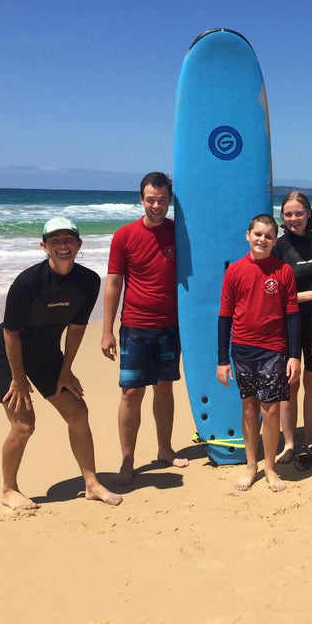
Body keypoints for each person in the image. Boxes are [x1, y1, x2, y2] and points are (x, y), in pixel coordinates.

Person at [0, 217, 122, 510]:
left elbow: (77, 328)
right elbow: (11, 333)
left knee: (78, 412)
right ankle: (9, 490)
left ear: (79, 245)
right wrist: (18, 380)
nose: (63, 246)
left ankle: (92, 484)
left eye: (68, 240)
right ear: (44, 246)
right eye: (56, 241)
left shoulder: (87, 281)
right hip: (6, 354)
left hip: (46, 354)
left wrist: (65, 369)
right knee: (23, 424)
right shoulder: (28, 282)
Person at [100, 172, 188, 485]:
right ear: (141, 199)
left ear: (169, 201)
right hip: (136, 326)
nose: (156, 205)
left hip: (170, 325)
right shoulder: (124, 236)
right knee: (131, 393)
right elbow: (113, 282)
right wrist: (107, 329)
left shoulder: (177, 233)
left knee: (165, 387)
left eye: (162, 200)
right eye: (151, 199)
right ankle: (127, 459)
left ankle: (165, 449)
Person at [217, 214, 301, 492]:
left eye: (268, 236)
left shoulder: (283, 271)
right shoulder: (235, 271)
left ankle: (270, 468)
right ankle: (251, 466)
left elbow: (292, 316)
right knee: (249, 408)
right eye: (258, 234)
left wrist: (293, 354)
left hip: (274, 349)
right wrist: (221, 359)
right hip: (242, 348)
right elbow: (225, 316)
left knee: (271, 408)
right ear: (248, 235)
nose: (262, 240)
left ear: (275, 240)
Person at [271, 191, 312, 463]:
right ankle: (290, 442)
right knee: (290, 383)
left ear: (308, 214)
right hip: (288, 324)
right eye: (288, 214)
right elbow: (275, 293)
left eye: (299, 213)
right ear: (282, 217)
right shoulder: (279, 248)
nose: (294, 218)